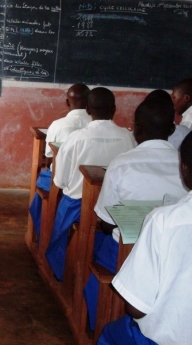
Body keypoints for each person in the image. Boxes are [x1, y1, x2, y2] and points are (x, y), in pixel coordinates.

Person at [98, 125, 192, 345]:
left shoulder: (164, 220)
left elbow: (135, 308)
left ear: (184, 168)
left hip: (163, 340)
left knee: (110, 334)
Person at [84, 98, 187, 330]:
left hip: (126, 251)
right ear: (172, 129)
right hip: (177, 250)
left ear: (136, 129)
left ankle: (96, 323)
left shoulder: (121, 164)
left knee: (98, 247)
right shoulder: (186, 165)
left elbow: (107, 222)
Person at [45, 87, 135, 280]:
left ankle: (61, 272)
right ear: (114, 109)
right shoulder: (129, 138)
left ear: (88, 110)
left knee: (60, 226)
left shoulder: (75, 139)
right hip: (115, 209)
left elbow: (60, 181)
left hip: (79, 204)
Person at [29, 83, 90, 240]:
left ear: (67, 102)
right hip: (94, 183)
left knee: (41, 193)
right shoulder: (96, 125)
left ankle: (42, 237)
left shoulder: (58, 125)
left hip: (63, 179)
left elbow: (50, 154)